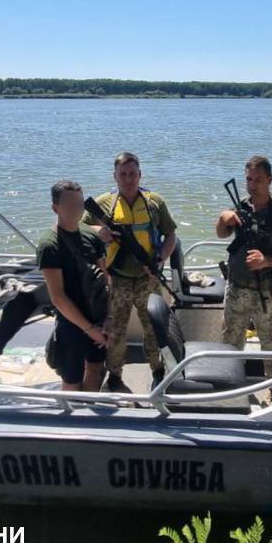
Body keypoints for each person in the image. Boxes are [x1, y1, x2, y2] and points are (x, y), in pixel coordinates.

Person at [215, 155, 272, 404]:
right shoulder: (240, 209)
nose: (252, 185)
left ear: (270, 180)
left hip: (268, 294)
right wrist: (223, 218)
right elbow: (222, 234)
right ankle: (229, 392)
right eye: (248, 180)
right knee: (230, 343)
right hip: (237, 290)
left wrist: (267, 261)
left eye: (258, 180)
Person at [84, 151, 177, 393]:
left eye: (132, 174)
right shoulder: (104, 203)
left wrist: (159, 259)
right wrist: (97, 231)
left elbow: (171, 235)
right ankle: (114, 376)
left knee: (154, 331)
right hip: (117, 281)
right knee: (115, 333)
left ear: (140, 175)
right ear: (114, 176)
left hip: (148, 279)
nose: (128, 179)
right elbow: (79, 227)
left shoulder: (155, 202)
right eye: (122, 174)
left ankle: (158, 372)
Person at [37, 180, 110, 392]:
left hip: (97, 316)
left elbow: (106, 279)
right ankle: (72, 420)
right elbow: (58, 297)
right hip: (71, 325)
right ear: (55, 208)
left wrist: (109, 318)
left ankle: (90, 414)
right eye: (69, 204)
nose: (75, 209)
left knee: (96, 368)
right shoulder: (49, 245)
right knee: (72, 380)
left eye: (79, 204)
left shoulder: (90, 235)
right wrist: (90, 330)